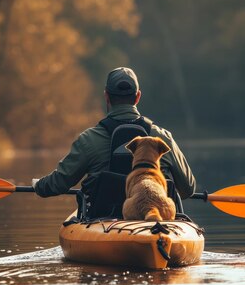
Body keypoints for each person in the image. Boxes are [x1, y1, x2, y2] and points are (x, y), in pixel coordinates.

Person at [32, 67, 196, 208]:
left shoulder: (88, 140)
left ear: (107, 96)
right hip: (156, 219)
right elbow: (188, 189)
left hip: (103, 220)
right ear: (137, 97)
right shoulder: (162, 138)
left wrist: (38, 185)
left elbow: (58, 184)